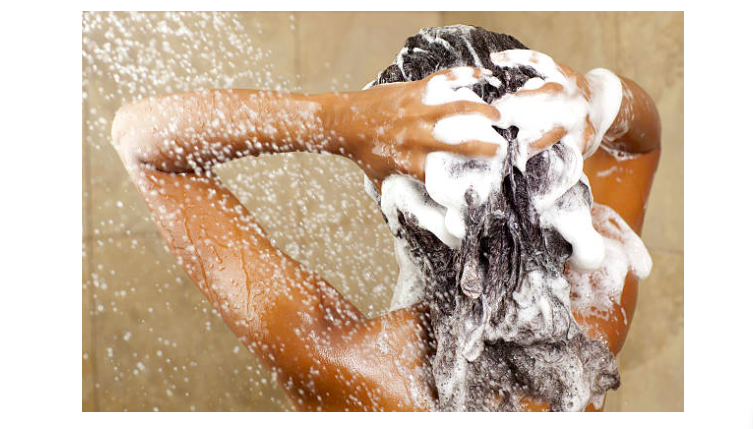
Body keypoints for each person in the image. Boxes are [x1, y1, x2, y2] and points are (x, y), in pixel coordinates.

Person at [111, 37, 660, 411]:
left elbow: (142, 144)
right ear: (558, 171)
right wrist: (592, 98)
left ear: (392, 191)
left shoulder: (357, 371)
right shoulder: (595, 317)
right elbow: (640, 145)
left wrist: (343, 121)